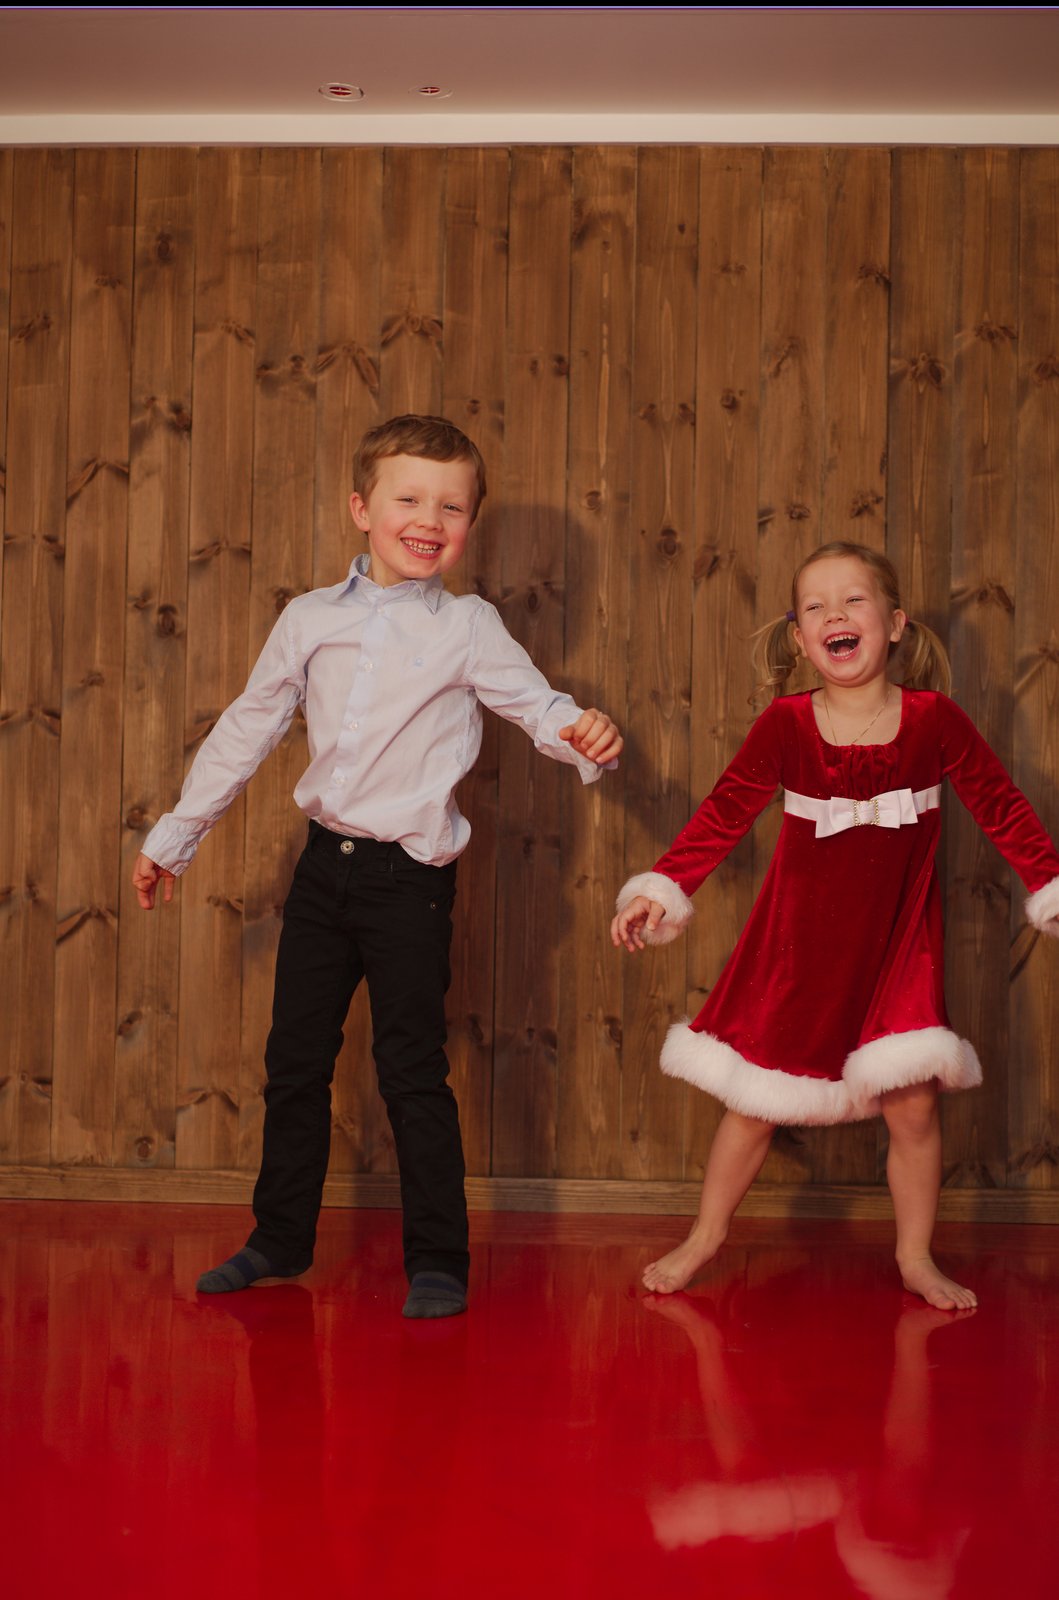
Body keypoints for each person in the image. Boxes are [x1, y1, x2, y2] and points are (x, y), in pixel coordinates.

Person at [134, 413, 622, 1318]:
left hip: (409, 884)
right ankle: (278, 1239)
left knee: (409, 1069)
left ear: (469, 521)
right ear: (362, 509)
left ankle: (437, 1260)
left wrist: (581, 734)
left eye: (452, 506)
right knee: (294, 1064)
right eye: (408, 499)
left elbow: (536, 705)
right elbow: (247, 729)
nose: (428, 519)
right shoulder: (309, 619)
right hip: (323, 873)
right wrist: (174, 837)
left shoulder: (469, 627)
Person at [612, 541, 1059, 1311]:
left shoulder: (933, 720)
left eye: (853, 601)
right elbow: (722, 812)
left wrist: (1047, 883)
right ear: (799, 638)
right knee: (755, 1101)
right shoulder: (785, 724)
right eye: (815, 607)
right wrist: (663, 887)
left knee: (912, 1104)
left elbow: (1000, 805)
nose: (834, 615)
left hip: (898, 946)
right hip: (797, 949)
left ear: (894, 624)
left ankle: (914, 1256)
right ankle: (704, 1238)